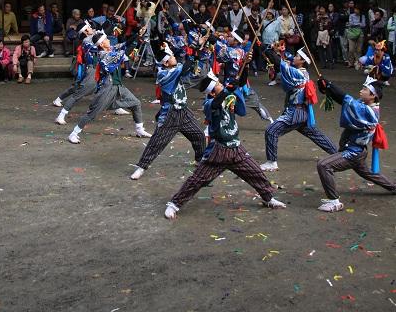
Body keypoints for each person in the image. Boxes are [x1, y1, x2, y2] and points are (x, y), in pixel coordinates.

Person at [164, 74, 286, 219]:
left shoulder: (229, 98)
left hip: (236, 148)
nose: (221, 84)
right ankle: (174, 204)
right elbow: (216, 104)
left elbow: (242, 111)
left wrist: (239, 81)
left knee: (255, 173)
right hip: (219, 151)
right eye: (218, 84)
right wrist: (227, 91)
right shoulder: (209, 104)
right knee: (197, 180)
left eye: (220, 83)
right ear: (211, 92)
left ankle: (268, 198)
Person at [316, 77, 396, 212]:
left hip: (354, 152)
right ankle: (394, 187)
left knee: (324, 165)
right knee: (368, 174)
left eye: (365, 89)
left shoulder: (370, 112)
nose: (361, 91)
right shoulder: (365, 105)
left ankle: (334, 201)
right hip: (358, 151)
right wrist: (327, 88)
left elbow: (348, 101)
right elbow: (346, 102)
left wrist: (330, 85)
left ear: (373, 96)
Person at [130, 50, 206, 180]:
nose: (174, 57)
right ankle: (141, 167)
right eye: (171, 57)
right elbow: (184, 69)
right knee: (157, 142)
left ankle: (200, 160)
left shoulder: (176, 68)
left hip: (184, 111)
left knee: (199, 135)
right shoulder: (163, 74)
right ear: (165, 63)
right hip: (170, 113)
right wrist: (194, 50)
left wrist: (198, 54)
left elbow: (190, 69)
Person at [67, 29, 151, 144]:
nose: (108, 40)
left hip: (118, 86)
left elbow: (126, 44)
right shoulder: (104, 55)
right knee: (92, 113)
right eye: (106, 39)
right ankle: (74, 133)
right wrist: (136, 44)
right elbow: (124, 52)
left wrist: (137, 34)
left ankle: (139, 130)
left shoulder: (112, 49)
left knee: (136, 103)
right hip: (107, 88)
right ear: (102, 44)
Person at [260, 47, 337, 172]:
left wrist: (266, 49)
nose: (294, 57)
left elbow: (279, 63)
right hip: (302, 112)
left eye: (297, 56)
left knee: (271, 131)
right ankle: (337, 153)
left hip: (295, 113)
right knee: (315, 134)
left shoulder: (297, 73)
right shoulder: (303, 72)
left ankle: (272, 162)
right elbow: (284, 60)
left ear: (302, 61)